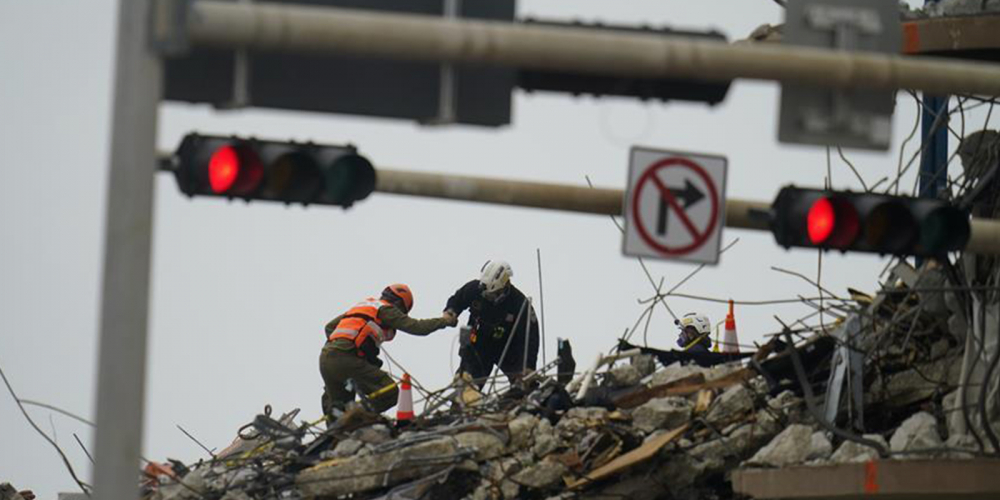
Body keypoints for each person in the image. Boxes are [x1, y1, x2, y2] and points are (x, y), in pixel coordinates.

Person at [320, 283, 457, 417]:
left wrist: (342, 346)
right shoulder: (385, 309)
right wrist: (445, 320)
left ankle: (337, 432)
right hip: (347, 359)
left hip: (326, 359)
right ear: (399, 304)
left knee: (338, 407)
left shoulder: (364, 306)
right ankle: (357, 415)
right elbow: (417, 327)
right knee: (389, 392)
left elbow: (329, 327)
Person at [445, 260, 539, 389]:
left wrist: (529, 366)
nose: (488, 297)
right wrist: (450, 312)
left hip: (507, 349)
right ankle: (460, 408)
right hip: (478, 346)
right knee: (466, 386)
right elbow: (457, 300)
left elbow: (531, 338)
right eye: (486, 294)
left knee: (525, 384)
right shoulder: (475, 289)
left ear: (505, 286)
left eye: (493, 294)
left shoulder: (520, 304)